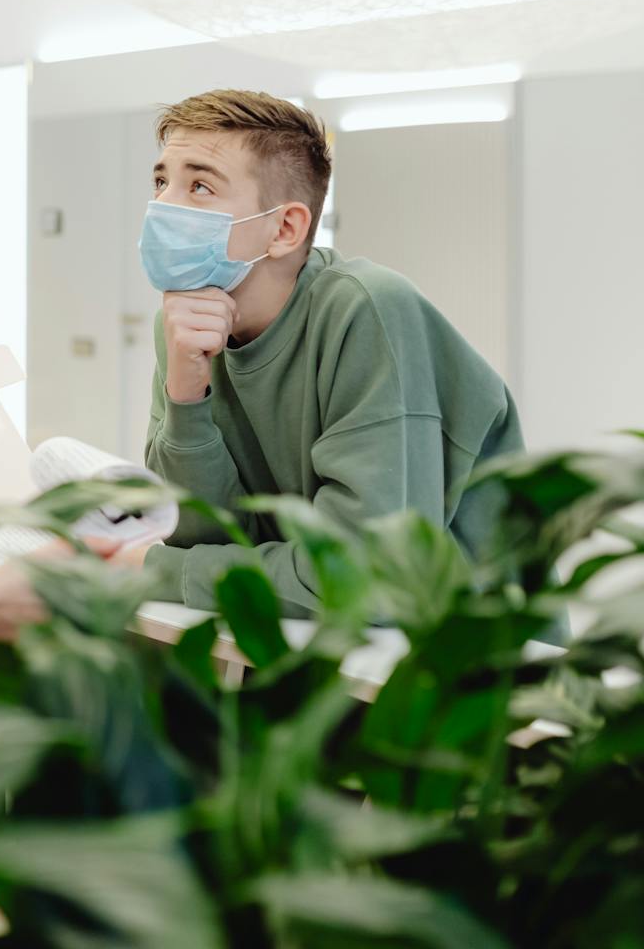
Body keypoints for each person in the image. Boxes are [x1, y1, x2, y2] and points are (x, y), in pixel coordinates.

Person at [111, 89, 525, 614]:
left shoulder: (367, 309)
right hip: (305, 645)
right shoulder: (181, 327)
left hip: (470, 657)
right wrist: (187, 394)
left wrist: (146, 570)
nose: (163, 205)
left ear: (285, 228)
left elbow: (363, 581)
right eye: (160, 180)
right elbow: (201, 539)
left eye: (199, 185)